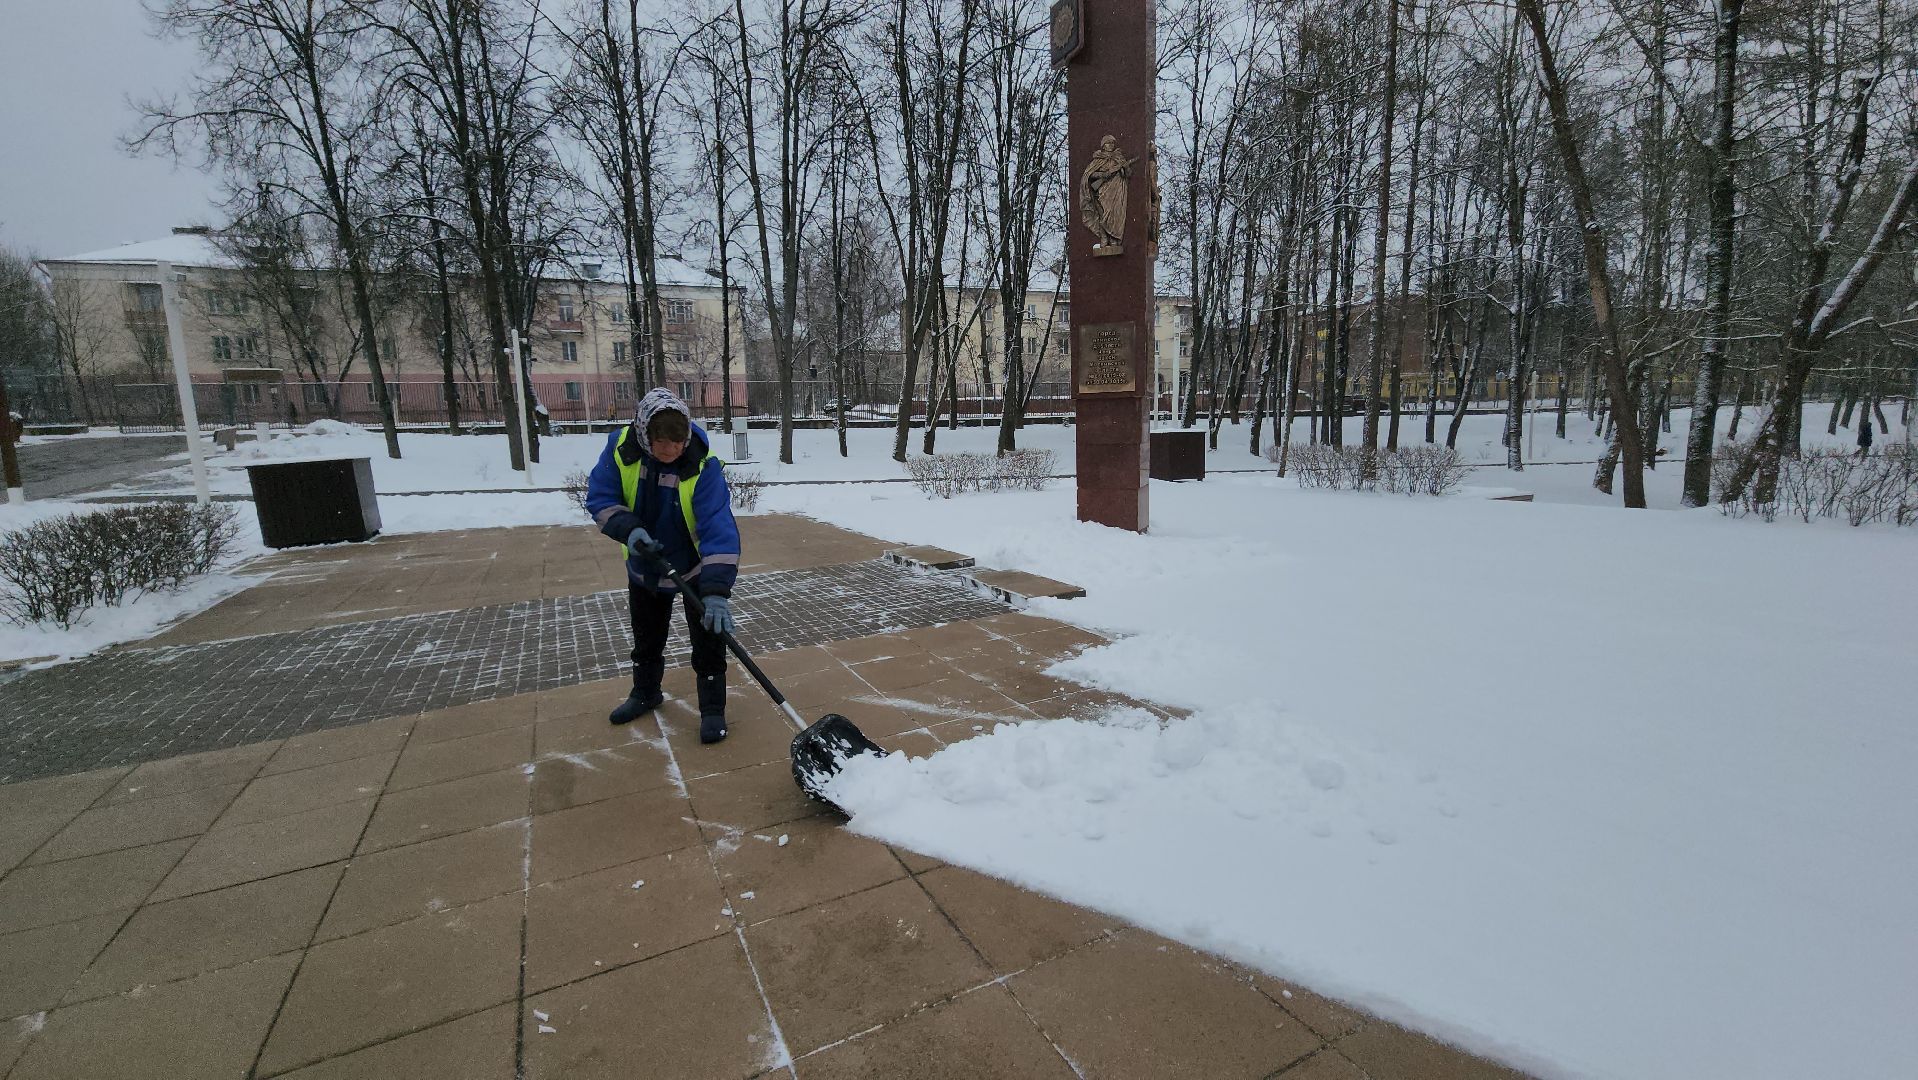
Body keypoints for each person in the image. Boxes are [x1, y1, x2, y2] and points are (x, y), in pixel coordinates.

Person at [584, 388, 741, 743]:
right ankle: (645, 693)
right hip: (647, 566)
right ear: (645, 434)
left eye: (678, 442)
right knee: (647, 638)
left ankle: (713, 710)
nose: (670, 451)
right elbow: (601, 498)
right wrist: (630, 530)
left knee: (709, 643)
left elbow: (718, 526)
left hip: (695, 569)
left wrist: (716, 591)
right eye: (661, 443)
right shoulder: (621, 450)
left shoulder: (701, 464)